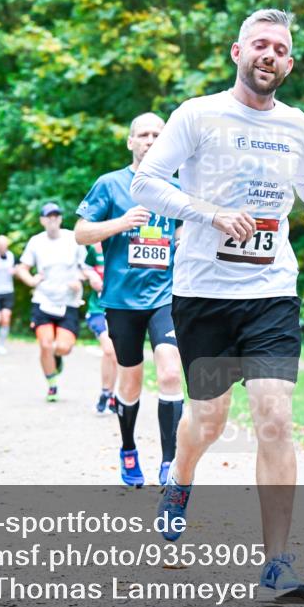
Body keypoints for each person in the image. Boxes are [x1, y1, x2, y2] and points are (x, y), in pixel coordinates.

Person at [130, 9, 304, 605]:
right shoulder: (198, 114)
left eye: (281, 49)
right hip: (205, 296)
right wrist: (210, 213)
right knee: (210, 421)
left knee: (274, 417)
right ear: (237, 52)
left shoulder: (297, 124)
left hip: (271, 292)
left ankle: (277, 563)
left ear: (290, 64)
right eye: (260, 45)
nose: (270, 55)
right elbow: (146, 183)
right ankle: (179, 476)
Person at [75, 112, 183, 488]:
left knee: (170, 373)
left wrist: (185, 239)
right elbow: (81, 233)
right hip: (121, 301)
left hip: (165, 297)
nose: (151, 140)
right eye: (144, 134)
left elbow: (185, 231)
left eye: (158, 135)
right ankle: (128, 448)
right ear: (131, 141)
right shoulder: (110, 184)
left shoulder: (176, 187)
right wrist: (122, 222)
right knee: (131, 382)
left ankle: (170, 461)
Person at [16, 202, 102, 402]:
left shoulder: (73, 238)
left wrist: (79, 279)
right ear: (42, 220)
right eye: (49, 216)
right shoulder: (36, 241)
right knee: (45, 344)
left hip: (68, 302)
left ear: (61, 219)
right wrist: (31, 280)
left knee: (63, 347)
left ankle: (57, 358)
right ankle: (52, 385)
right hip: (43, 300)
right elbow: (22, 268)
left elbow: (86, 267)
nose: (53, 219)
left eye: (56, 215)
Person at [84, 242, 118, 415]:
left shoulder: (124, 245)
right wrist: (91, 275)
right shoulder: (95, 248)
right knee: (109, 349)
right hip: (97, 309)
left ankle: (110, 394)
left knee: (115, 355)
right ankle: (106, 392)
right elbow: (85, 267)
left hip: (119, 308)